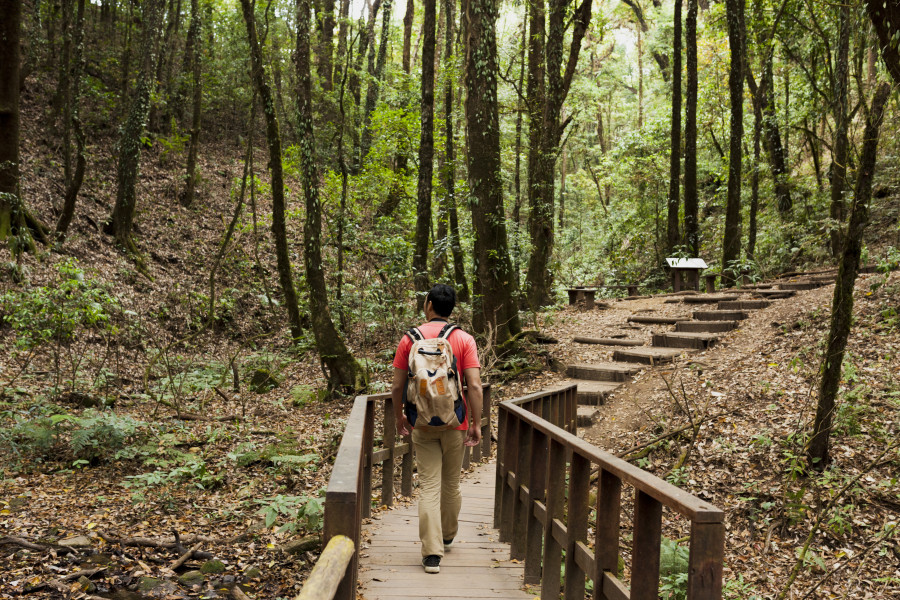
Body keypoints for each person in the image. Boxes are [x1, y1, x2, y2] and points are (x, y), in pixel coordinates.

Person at [391, 283, 483, 574]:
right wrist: (477, 423)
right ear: (452, 307)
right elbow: (475, 386)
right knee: (451, 482)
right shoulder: (464, 339)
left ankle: (432, 554)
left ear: (428, 304)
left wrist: (398, 417)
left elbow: (396, 385)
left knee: (429, 484)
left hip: (420, 421)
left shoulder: (409, 338)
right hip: (456, 422)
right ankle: (446, 535)